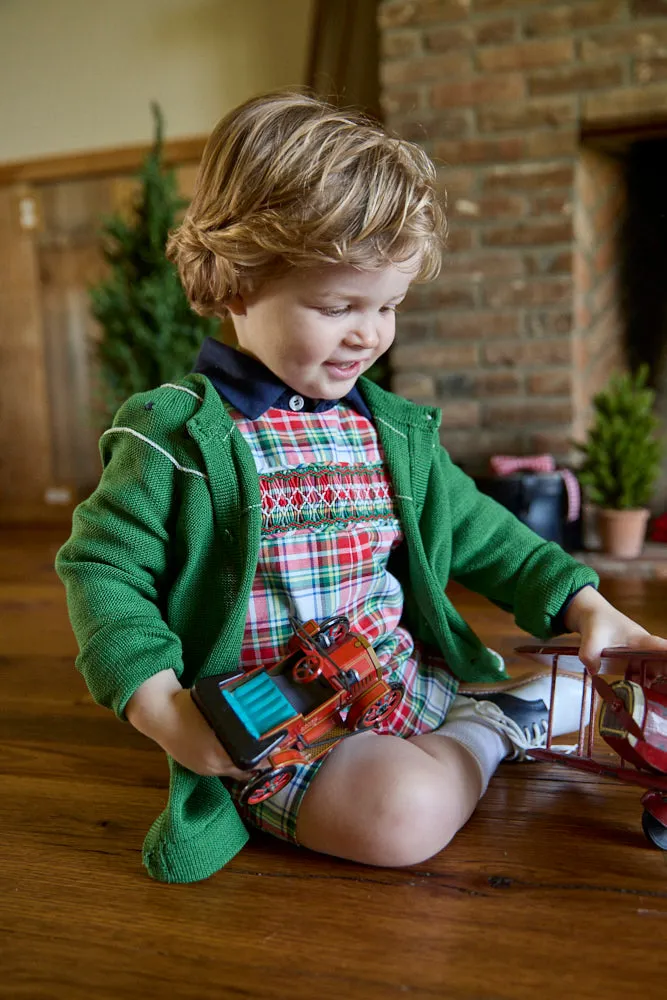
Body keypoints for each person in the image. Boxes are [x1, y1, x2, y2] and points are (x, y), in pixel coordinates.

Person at [56, 92, 667, 884]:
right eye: (336, 305)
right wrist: (162, 707)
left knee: (419, 774)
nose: (368, 334)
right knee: (398, 820)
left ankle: (490, 714)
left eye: (387, 306)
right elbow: (102, 573)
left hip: (403, 686)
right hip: (281, 737)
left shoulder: (387, 430)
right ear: (236, 282)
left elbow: (482, 529)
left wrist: (586, 605)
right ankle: (501, 726)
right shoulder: (172, 436)